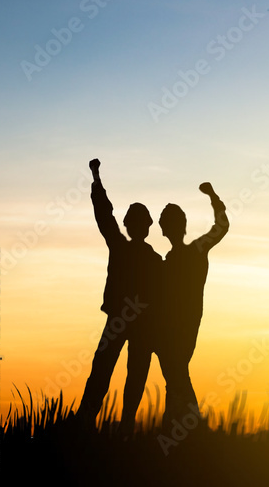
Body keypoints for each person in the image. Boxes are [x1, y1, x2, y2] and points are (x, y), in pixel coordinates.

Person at [77, 159, 162, 433]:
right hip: (129, 322)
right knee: (115, 373)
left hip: (130, 322)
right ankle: (96, 424)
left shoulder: (135, 253)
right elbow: (104, 214)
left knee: (122, 373)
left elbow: (104, 215)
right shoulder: (146, 256)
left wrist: (96, 178)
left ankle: (103, 424)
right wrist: (96, 178)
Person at [157, 182, 228, 424]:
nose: (170, 229)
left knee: (176, 372)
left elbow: (222, 227)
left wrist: (213, 197)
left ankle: (190, 422)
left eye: (172, 224)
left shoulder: (195, 251)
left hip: (185, 326)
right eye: (168, 225)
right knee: (174, 374)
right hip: (169, 327)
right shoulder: (168, 261)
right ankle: (177, 423)